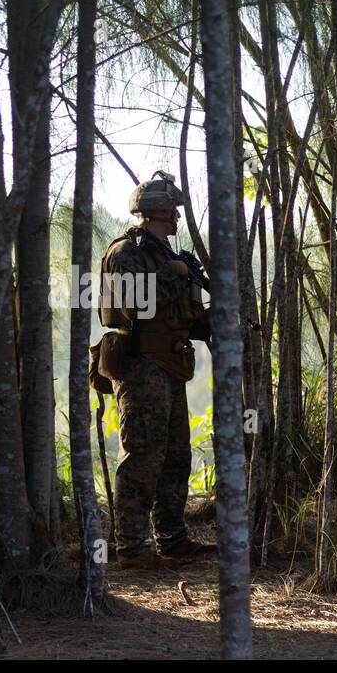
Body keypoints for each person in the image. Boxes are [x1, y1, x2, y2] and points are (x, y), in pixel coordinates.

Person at [97, 171, 216, 569]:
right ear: (153, 213)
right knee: (142, 455)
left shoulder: (168, 257)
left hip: (171, 366)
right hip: (140, 366)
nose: (177, 220)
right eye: (171, 213)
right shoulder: (125, 252)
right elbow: (134, 303)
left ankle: (171, 536)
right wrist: (171, 275)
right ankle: (131, 546)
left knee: (176, 456)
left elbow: (183, 315)